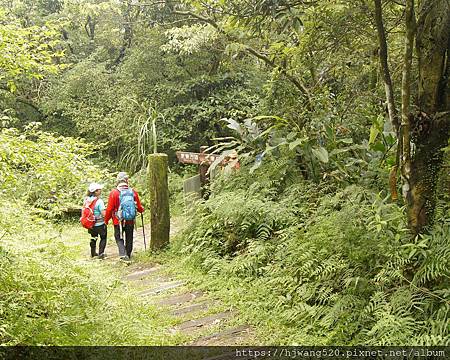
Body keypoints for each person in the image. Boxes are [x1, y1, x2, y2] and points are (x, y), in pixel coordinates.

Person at [104, 172, 144, 261]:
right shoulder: (132, 192)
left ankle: (123, 254)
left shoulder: (114, 193)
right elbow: (138, 206)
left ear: (118, 181)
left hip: (118, 220)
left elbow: (109, 209)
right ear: (127, 181)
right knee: (129, 236)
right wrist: (141, 210)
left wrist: (106, 220)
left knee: (118, 237)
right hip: (130, 219)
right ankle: (128, 254)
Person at [84, 183, 107, 259]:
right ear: (96, 191)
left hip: (90, 224)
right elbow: (103, 214)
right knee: (103, 237)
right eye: (99, 189)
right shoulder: (99, 201)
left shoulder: (87, 200)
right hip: (100, 223)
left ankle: (93, 253)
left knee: (93, 237)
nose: (101, 190)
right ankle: (101, 253)